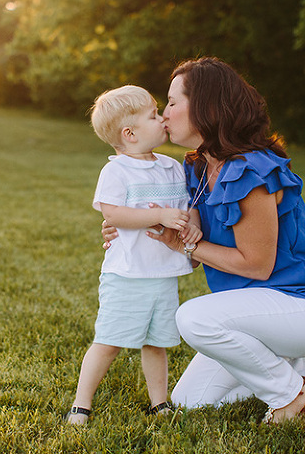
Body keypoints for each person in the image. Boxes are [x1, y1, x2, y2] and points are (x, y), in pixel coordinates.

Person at [102, 57, 305, 424]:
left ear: (205, 107)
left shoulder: (251, 170)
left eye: (172, 102)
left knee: (193, 317)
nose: (165, 113)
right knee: (191, 401)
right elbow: (161, 218)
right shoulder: (198, 167)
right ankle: (303, 364)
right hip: (259, 312)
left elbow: (256, 265)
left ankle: (291, 393)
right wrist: (122, 225)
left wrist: (183, 244)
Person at [66, 85, 203, 425]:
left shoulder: (171, 167)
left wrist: (193, 222)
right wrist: (158, 216)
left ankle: (159, 403)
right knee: (109, 342)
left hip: (162, 274)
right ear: (129, 133)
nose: (162, 119)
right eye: (154, 115)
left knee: (156, 343)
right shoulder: (117, 171)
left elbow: (188, 204)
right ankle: (81, 405)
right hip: (127, 275)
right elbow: (113, 215)